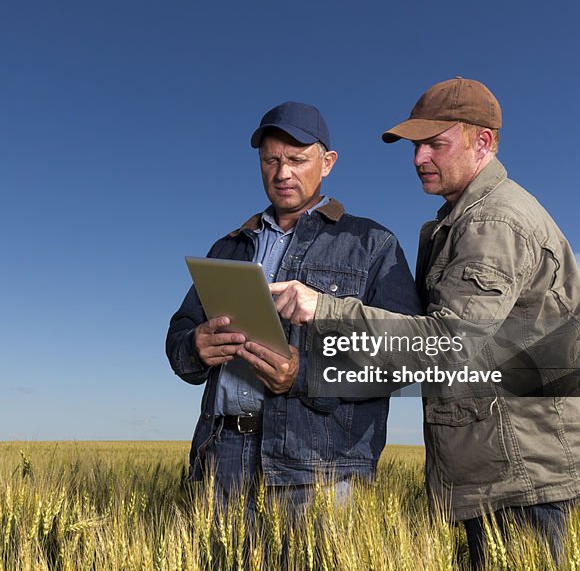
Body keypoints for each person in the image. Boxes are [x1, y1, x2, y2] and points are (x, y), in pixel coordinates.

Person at [269, 78, 580, 570]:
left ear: (483, 142)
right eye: (415, 145)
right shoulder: (462, 220)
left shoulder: (495, 223)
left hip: (519, 472)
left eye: (435, 144)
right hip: (498, 464)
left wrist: (325, 308)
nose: (419, 158)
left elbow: (449, 345)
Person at [165, 101, 421, 514]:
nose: (282, 173)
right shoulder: (228, 247)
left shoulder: (373, 244)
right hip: (221, 458)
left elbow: (405, 358)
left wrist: (305, 374)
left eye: (297, 160)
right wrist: (194, 347)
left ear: (328, 163)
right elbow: (180, 333)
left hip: (317, 469)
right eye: (271, 160)